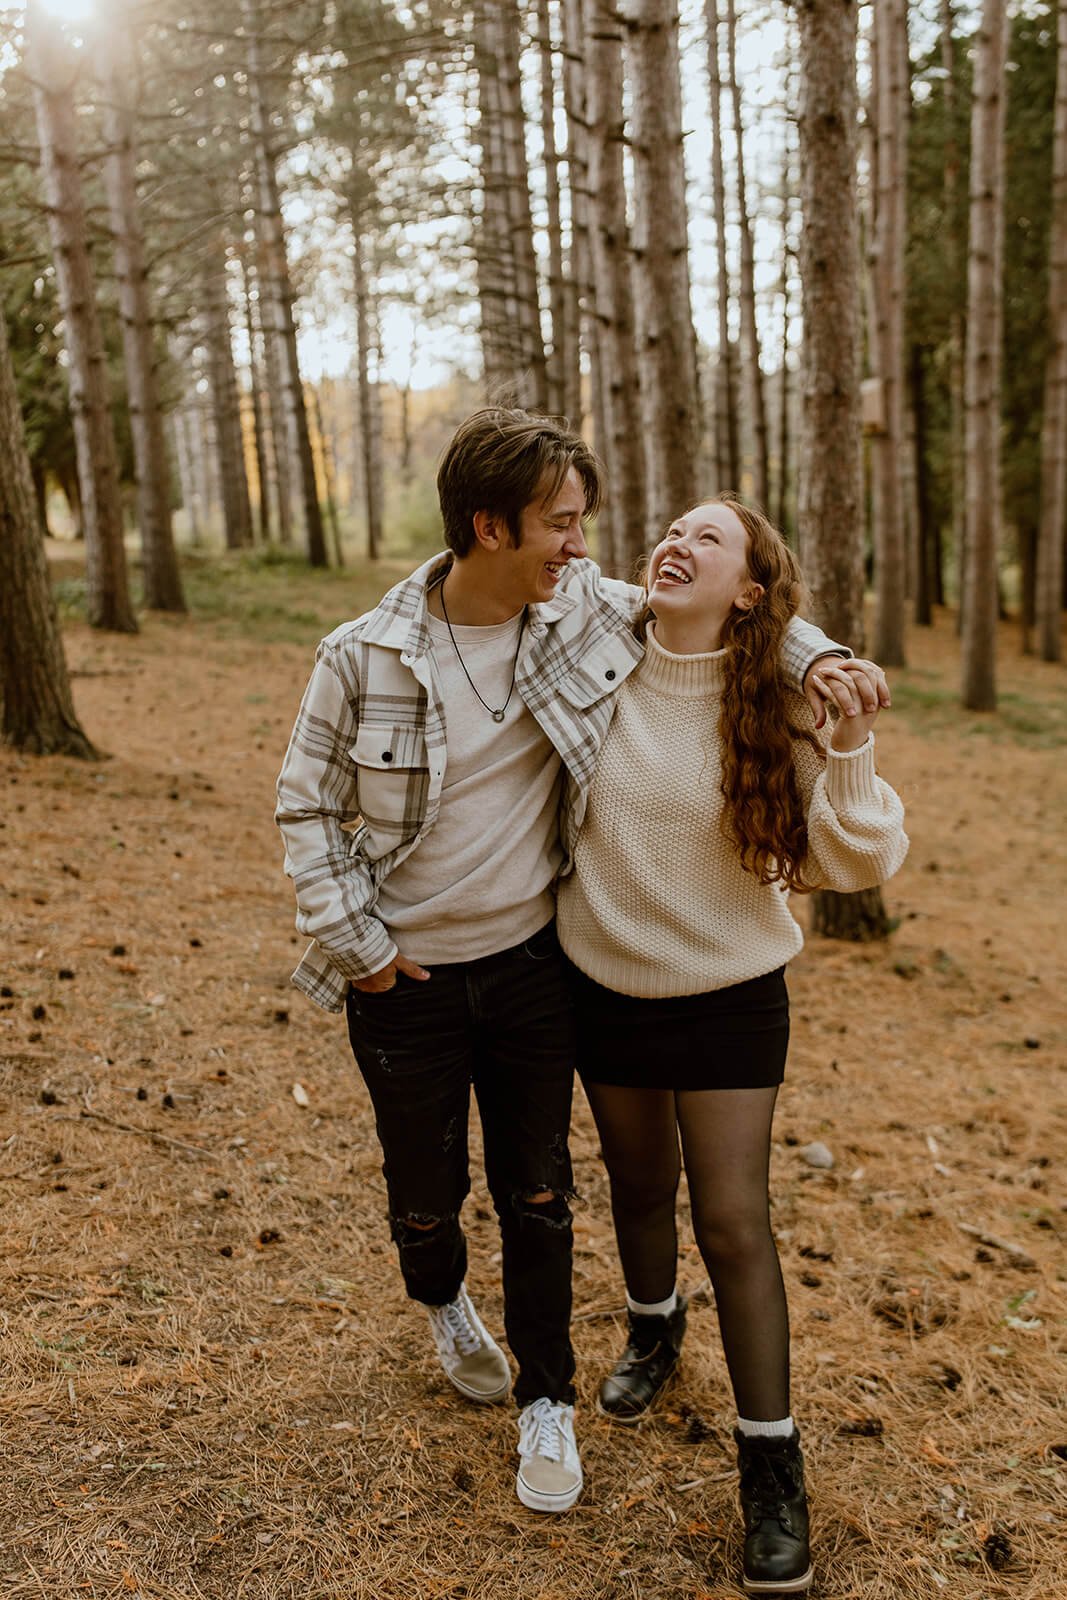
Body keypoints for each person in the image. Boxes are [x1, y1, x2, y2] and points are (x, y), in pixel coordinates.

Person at [275, 409, 888, 1517]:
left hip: (534, 970)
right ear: (488, 524)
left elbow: (748, 605)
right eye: (561, 524)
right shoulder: (365, 656)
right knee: (433, 1197)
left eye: (585, 524)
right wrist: (361, 951)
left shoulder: (579, 617)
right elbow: (305, 808)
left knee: (546, 1195)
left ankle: (557, 1403)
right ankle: (452, 1297)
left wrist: (825, 655)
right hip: (420, 977)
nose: (581, 544)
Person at [555, 493, 908, 1588]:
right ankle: (653, 1331)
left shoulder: (777, 698)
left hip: (727, 994)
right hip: (601, 981)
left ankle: (770, 1466)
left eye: (706, 538)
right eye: (669, 528)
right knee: (633, 1182)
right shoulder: (593, 643)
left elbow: (855, 864)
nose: (674, 540)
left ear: (749, 589)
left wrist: (843, 735)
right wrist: (814, 642)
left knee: (733, 1220)